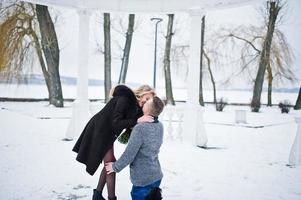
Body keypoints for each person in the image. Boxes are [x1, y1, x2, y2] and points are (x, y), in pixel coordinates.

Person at [72, 85, 155, 200]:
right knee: (111, 163)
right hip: (100, 129)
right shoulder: (125, 99)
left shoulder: (136, 108)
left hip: (108, 133)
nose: (146, 102)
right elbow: (116, 122)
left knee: (109, 164)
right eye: (146, 98)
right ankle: (110, 197)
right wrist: (136, 120)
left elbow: (130, 124)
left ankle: (97, 195)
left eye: (149, 101)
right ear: (141, 94)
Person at [105, 96, 165, 200]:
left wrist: (115, 167)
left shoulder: (140, 128)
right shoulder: (160, 125)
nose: (144, 103)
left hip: (143, 180)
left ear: (149, 109)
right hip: (156, 176)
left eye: (147, 103)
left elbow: (129, 154)